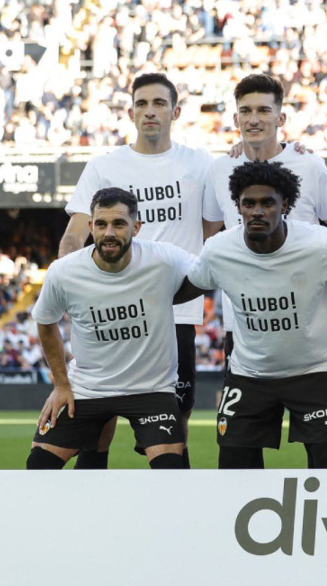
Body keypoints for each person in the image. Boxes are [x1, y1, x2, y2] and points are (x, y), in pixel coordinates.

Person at [61, 73, 216, 469]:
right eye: (142, 103)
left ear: (175, 111)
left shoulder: (201, 163)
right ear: (130, 112)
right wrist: (71, 286)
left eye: (159, 103)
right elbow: (74, 236)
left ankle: (171, 513)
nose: (150, 111)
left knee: (174, 423)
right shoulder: (104, 166)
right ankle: (89, 504)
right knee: (98, 416)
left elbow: (214, 233)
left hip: (174, 310)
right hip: (108, 309)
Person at [186, 161, 327, 469]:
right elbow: (189, 285)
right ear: (238, 207)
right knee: (234, 470)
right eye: (249, 203)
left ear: (285, 205)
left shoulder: (321, 244)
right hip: (250, 374)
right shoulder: (219, 250)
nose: (257, 211)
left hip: (315, 373)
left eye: (267, 203)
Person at [28, 188, 195, 470]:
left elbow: (208, 273)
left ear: (136, 227)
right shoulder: (64, 271)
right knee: (39, 466)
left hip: (151, 389)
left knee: (171, 471)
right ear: (91, 226)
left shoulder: (164, 259)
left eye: (119, 224)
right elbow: (45, 322)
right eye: (101, 224)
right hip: (89, 389)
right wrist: (60, 384)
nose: (109, 233)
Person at [203, 73, 327, 373]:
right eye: (246, 111)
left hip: (306, 324)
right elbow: (206, 231)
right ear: (235, 118)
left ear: (281, 118)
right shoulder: (220, 169)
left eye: (264, 111)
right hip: (244, 324)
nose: (253, 119)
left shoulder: (307, 163)